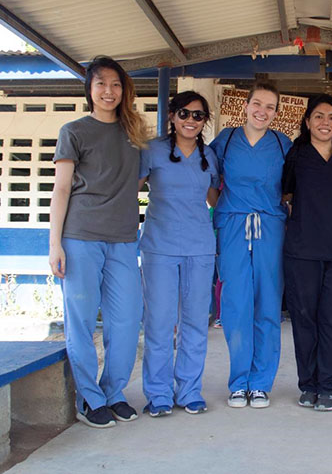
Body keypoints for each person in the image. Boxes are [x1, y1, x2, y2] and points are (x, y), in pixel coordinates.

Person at [49, 56, 149, 428]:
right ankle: (90, 399)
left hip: (124, 239)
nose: (109, 91)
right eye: (101, 84)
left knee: (126, 321)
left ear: (125, 90)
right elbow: (61, 189)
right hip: (80, 238)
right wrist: (54, 244)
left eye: (116, 84)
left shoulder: (135, 133)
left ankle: (114, 391)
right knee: (82, 321)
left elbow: (138, 181)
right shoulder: (73, 131)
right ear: (89, 89)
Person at [210, 81, 292, 409]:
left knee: (268, 303)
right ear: (245, 105)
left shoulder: (282, 143)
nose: (262, 111)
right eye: (257, 104)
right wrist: (227, 208)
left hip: (270, 227)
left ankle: (260, 383)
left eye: (270, 107)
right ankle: (238, 381)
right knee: (235, 304)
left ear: (276, 112)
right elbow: (208, 182)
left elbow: (290, 189)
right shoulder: (226, 140)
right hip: (232, 226)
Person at [138, 91, 220, 417]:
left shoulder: (209, 156)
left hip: (200, 247)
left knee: (196, 322)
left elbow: (215, 199)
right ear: (172, 116)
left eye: (198, 115)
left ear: (204, 121)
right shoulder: (152, 150)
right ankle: (158, 394)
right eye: (184, 114)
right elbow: (130, 186)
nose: (190, 120)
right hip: (159, 247)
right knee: (160, 322)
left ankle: (188, 391)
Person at [282, 94, 332, 412]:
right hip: (302, 251)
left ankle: (329, 386)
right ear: (307, 122)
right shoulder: (296, 155)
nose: (324, 122)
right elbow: (286, 195)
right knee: (304, 319)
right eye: (318, 116)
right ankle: (308, 384)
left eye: (331, 117)